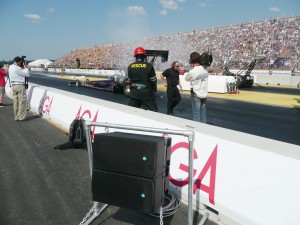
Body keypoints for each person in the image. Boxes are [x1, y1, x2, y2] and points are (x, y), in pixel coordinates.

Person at [127, 47, 158, 112]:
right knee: (154, 115)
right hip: (147, 94)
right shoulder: (149, 66)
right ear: (144, 56)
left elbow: (129, 81)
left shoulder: (130, 66)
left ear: (135, 56)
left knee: (131, 113)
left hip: (134, 94)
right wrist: (154, 89)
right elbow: (153, 81)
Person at [185, 52, 209, 123]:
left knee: (196, 114)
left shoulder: (192, 71)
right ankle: (204, 128)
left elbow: (187, 79)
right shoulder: (205, 70)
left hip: (196, 93)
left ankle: (197, 130)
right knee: (203, 113)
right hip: (204, 93)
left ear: (191, 61)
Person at [8, 56, 30, 121]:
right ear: (19, 62)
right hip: (20, 85)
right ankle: (21, 117)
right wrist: (25, 68)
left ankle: (16, 117)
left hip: (13, 85)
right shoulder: (17, 68)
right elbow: (27, 74)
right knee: (22, 102)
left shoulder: (11, 67)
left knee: (16, 102)